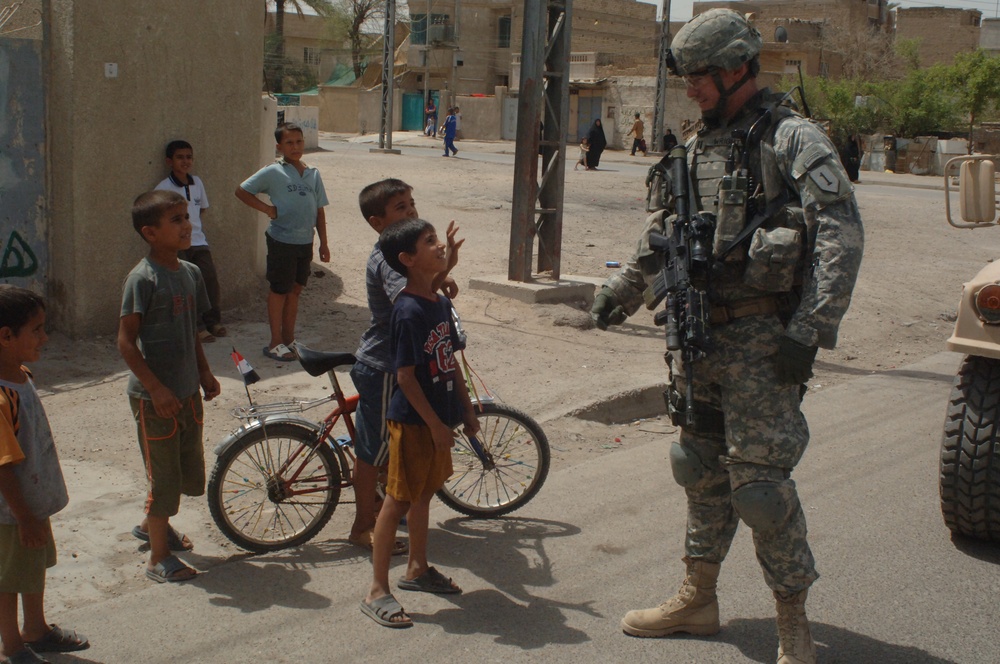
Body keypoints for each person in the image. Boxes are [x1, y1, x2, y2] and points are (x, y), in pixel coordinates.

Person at [590, 10, 864, 664]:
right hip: (695, 337)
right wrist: (622, 291)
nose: (690, 89)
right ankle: (698, 597)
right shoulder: (689, 150)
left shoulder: (793, 139)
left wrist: (813, 326)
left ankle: (793, 625)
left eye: (699, 77)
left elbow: (840, 233)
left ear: (737, 68)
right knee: (697, 468)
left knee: (761, 490)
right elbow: (661, 240)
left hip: (765, 344)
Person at [360, 218, 480, 629]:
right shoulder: (408, 311)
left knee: (424, 495)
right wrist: (434, 425)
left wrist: (465, 410)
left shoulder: (438, 302)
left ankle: (417, 567)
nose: (439, 246)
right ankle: (377, 588)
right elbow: (406, 377)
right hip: (415, 423)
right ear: (409, 259)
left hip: (439, 420)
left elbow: (451, 364)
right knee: (396, 503)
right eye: (430, 242)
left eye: (437, 240)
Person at [349, 179, 461, 556]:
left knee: (391, 445)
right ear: (377, 222)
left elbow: (425, 290)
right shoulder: (387, 260)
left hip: (398, 360)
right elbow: (411, 300)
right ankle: (362, 526)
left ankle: (386, 509)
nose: (411, 211)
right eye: (400, 208)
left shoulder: (401, 256)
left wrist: (444, 271)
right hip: (384, 364)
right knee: (373, 450)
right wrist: (443, 276)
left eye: (412, 204)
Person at [118, 190, 222, 584]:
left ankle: (151, 526)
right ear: (150, 232)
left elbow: (192, 331)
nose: (186, 225)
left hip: (186, 391)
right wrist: (156, 389)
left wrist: (205, 374)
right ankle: (158, 557)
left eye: (186, 216)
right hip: (153, 397)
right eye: (176, 220)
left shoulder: (191, 273)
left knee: (184, 471)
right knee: (162, 477)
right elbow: (126, 342)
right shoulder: (141, 279)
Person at [0, 287, 89, 663]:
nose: (45, 337)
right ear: (5, 336)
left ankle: (35, 627)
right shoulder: (3, 398)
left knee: (31, 568)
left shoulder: (22, 375)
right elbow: (3, 466)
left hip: (31, 507)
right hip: (12, 513)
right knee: (8, 579)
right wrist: (23, 517)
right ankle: (13, 646)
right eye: (35, 330)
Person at [235, 123, 331, 361]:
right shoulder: (273, 172)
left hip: (304, 241)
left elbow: (319, 210)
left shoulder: (313, 173)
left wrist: (323, 243)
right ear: (279, 147)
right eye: (289, 143)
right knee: (280, 290)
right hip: (282, 240)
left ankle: (289, 339)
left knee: (296, 290)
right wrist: (268, 209)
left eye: (299, 141)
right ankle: (275, 342)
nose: (295, 146)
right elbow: (242, 191)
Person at [155, 140, 226, 344]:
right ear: (169, 161)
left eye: (188, 157)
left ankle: (213, 321)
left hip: (198, 241)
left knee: (209, 280)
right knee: (186, 285)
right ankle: (197, 327)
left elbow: (201, 209)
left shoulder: (197, 183)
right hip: (177, 245)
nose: (185, 161)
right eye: (180, 157)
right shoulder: (164, 188)